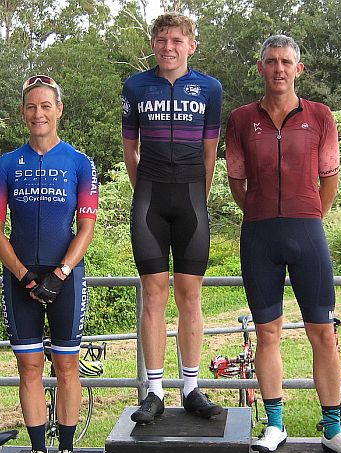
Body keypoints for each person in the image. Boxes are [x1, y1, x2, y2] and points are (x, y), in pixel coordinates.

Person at [225, 35, 341, 453]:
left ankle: (333, 429)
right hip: (259, 234)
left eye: (286, 62)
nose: (279, 69)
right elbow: (236, 181)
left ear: (298, 69)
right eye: (271, 61)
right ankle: (275, 424)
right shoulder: (240, 119)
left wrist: (308, 215)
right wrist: (262, 212)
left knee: (322, 331)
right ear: (260, 68)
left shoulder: (320, 116)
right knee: (267, 332)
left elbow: (330, 177)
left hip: (308, 232)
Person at [0, 75, 98, 453]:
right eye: (32, 106)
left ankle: (66, 451)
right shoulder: (5, 164)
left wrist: (62, 272)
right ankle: (37, 450)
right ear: (23, 112)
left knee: (67, 366)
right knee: (29, 366)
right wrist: (22, 275)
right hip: (20, 278)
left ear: (59, 110)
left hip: (65, 275)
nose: (39, 113)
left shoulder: (80, 163)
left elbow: (86, 227)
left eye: (46, 106)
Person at [122, 13, 223, 422]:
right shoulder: (135, 86)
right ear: (153, 44)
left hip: (191, 199)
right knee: (153, 294)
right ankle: (154, 391)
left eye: (177, 40)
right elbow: (130, 149)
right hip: (150, 197)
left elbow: (210, 152)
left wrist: (198, 195)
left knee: (190, 295)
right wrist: (145, 189)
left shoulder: (210, 88)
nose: (168, 47)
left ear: (191, 46)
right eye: (162, 39)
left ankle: (192, 388)